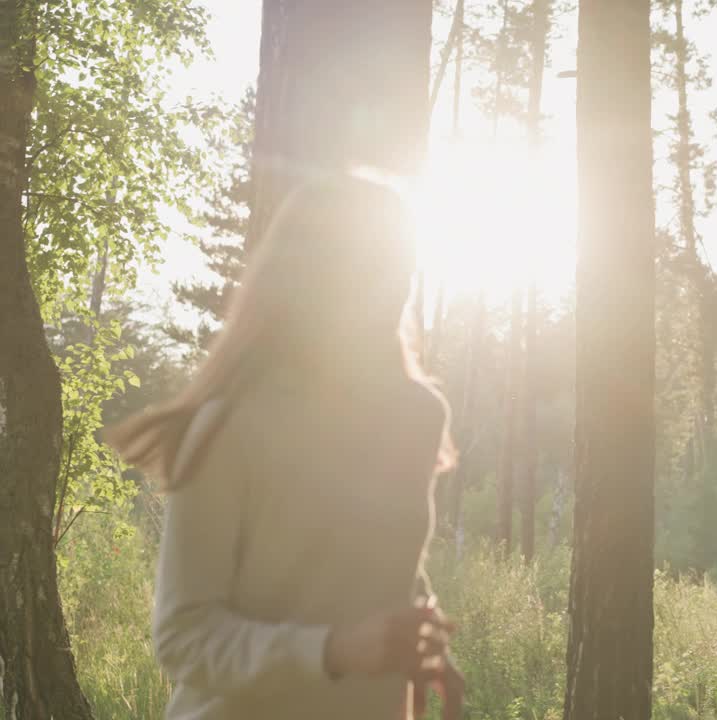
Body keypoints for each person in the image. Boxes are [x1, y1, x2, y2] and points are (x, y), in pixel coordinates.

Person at [107, 175, 462, 720]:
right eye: (369, 269)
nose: (393, 289)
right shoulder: (234, 425)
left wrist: (425, 643)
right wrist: (334, 650)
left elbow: (388, 566)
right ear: (311, 279)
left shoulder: (417, 415)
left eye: (403, 268)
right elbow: (182, 637)